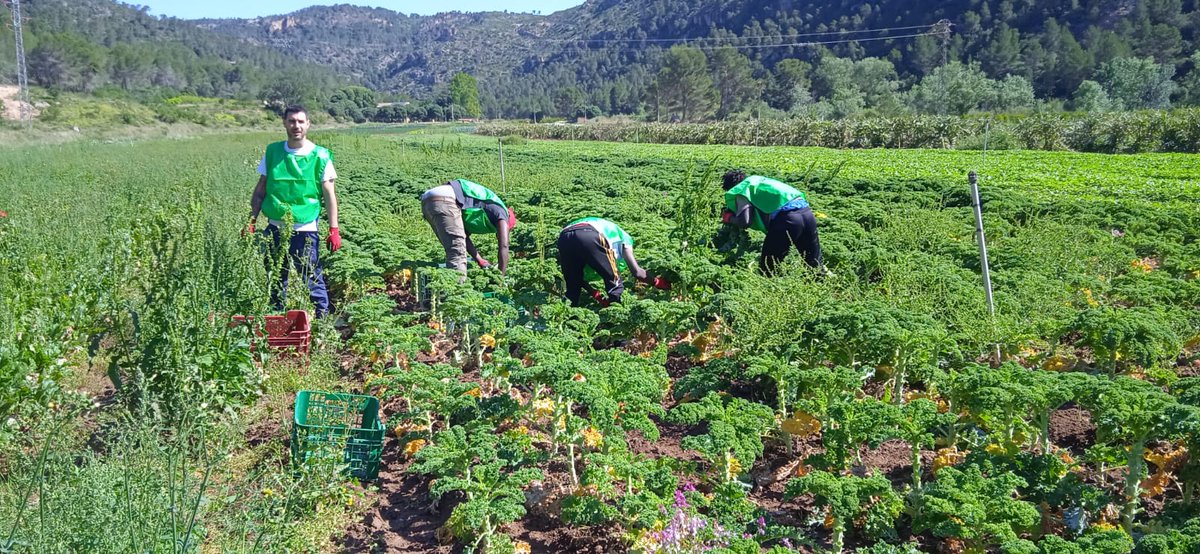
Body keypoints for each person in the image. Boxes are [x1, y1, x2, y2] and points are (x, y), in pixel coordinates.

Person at [246, 105, 341, 318]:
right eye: (291, 121)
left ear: (308, 124)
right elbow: (260, 190)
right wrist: (250, 220)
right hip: (275, 227)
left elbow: (329, 196)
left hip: (305, 229)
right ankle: (276, 318)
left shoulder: (320, 156)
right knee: (275, 277)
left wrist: (334, 229)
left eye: (300, 121)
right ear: (284, 123)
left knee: (311, 276)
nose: (296, 126)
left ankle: (322, 321)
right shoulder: (273, 152)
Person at [720, 169, 823, 275]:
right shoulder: (758, 182)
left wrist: (729, 218)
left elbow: (744, 221)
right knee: (814, 264)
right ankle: (820, 281)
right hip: (807, 213)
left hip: (787, 220)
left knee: (768, 268)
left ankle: (769, 283)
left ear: (731, 188)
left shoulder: (741, 191)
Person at [420, 179, 514, 280]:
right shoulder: (502, 214)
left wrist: (480, 260)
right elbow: (504, 246)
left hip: (429, 199)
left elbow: (463, 237)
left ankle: (454, 284)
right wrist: (500, 278)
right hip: (445, 198)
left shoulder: (484, 215)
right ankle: (457, 288)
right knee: (457, 253)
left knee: (453, 247)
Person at [557, 217, 656, 307]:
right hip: (590, 233)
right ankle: (617, 312)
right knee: (613, 280)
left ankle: (568, 316)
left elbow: (578, 279)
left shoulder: (612, 232)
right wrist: (657, 282)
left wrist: (596, 294)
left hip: (564, 237)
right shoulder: (625, 241)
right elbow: (637, 272)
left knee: (572, 287)